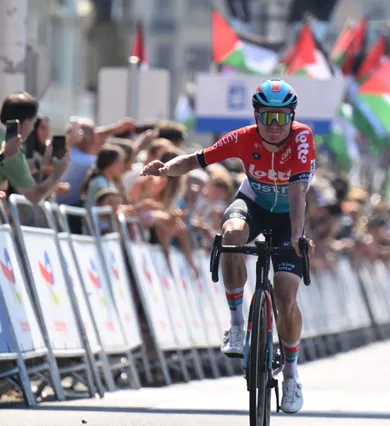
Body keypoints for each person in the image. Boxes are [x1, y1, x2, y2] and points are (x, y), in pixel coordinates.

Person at [141, 78, 316, 414]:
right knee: (231, 233)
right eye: (267, 117)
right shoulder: (244, 138)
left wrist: (296, 235)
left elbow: (297, 194)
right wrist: (166, 169)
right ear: (256, 115)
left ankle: (292, 375)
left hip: (287, 217)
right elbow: (195, 159)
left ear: (292, 117)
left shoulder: (302, 138)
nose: (275, 126)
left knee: (285, 295)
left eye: (282, 118)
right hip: (254, 204)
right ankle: (237, 325)